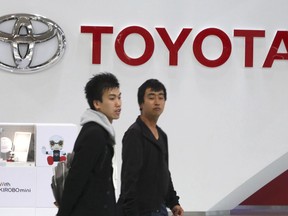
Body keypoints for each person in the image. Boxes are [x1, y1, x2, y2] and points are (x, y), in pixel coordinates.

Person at [56, 72, 122, 216]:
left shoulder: (101, 131)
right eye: (112, 98)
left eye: (119, 97)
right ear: (97, 103)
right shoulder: (95, 134)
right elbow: (77, 177)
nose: (118, 103)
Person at [117, 79, 184, 216]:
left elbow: (164, 172)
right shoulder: (135, 134)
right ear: (141, 103)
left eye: (161, 97)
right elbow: (130, 179)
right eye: (151, 97)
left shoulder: (162, 135)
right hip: (140, 211)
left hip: (159, 208)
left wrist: (173, 203)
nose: (157, 102)